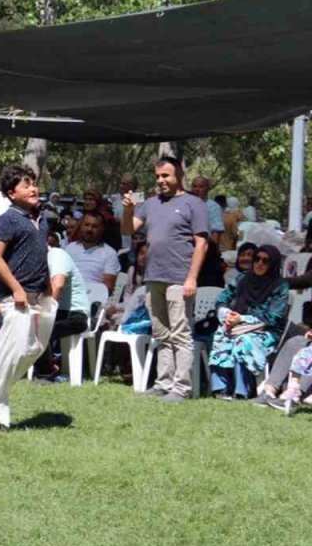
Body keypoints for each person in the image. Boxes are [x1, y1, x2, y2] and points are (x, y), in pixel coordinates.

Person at [124, 157, 209, 403]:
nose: (161, 181)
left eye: (166, 176)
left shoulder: (194, 203)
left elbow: (201, 243)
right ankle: (163, 383)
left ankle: (181, 388)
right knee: (161, 333)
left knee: (180, 333)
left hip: (179, 277)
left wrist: (192, 278)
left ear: (178, 175)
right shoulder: (149, 203)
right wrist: (128, 209)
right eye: (158, 176)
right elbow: (128, 230)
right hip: (153, 276)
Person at [0, 165, 53, 427]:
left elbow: (43, 255)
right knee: (16, 350)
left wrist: (48, 288)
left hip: (38, 295)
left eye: (34, 183)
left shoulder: (41, 218)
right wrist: (17, 288)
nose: (33, 188)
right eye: (26, 185)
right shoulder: (8, 219)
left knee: (32, 349)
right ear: (11, 193)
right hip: (15, 296)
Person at [208, 245, 288, 400]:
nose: (259, 264)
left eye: (265, 261)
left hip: (266, 330)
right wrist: (227, 314)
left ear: (273, 264)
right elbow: (222, 299)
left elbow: (274, 316)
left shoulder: (280, 285)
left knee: (244, 341)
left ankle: (242, 390)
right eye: (257, 259)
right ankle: (221, 388)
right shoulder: (243, 278)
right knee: (221, 334)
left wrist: (243, 319)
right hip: (237, 324)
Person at [33, 234, 92, 382]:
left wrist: (43, 312)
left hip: (75, 315)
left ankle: (47, 374)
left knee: (40, 329)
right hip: (58, 312)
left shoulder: (57, 255)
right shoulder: (37, 260)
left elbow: (58, 285)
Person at [64, 211, 120, 292]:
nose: (89, 229)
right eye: (86, 225)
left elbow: (108, 286)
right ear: (81, 227)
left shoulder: (110, 253)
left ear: (102, 229)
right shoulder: (70, 248)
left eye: (95, 226)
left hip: (94, 297)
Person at [191, 176, 225, 242]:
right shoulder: (186, 205)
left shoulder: (213, 207)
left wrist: (212, 250)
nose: (197, 189)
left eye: (201, 187)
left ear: (208, 188)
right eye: (195, 186)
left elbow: (216, 232)